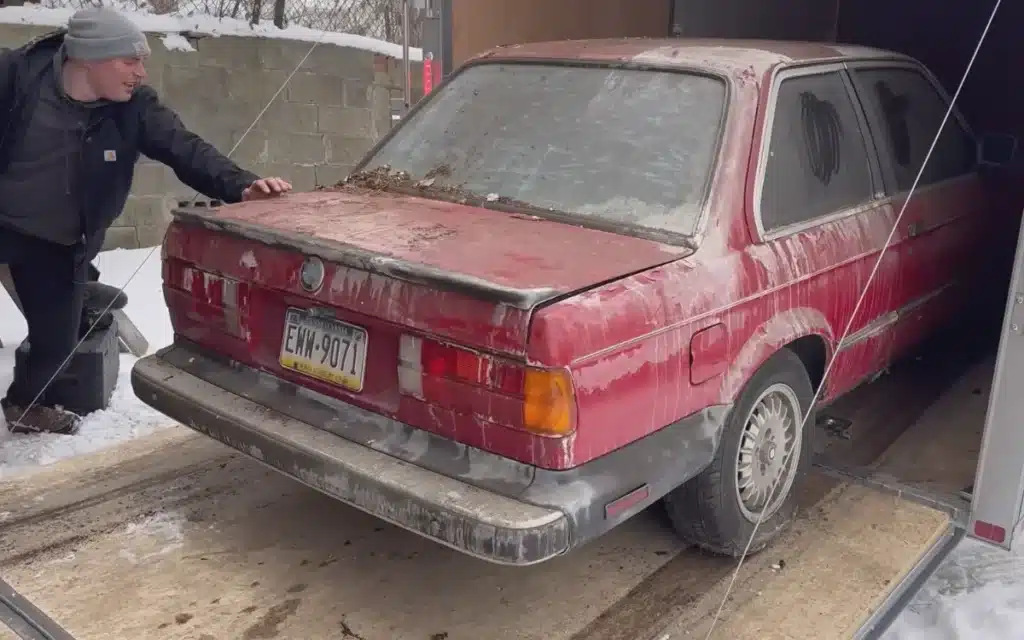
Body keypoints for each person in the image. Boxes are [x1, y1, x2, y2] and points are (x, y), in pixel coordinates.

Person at [0, 8, 293, 434]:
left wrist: (243, 186)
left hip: (56, 244)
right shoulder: (13, 78)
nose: (141, 72)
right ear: (89, 59)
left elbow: (185, 149)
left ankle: (23, 408)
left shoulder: (133, 108)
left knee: (57, 343)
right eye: (130, 60)